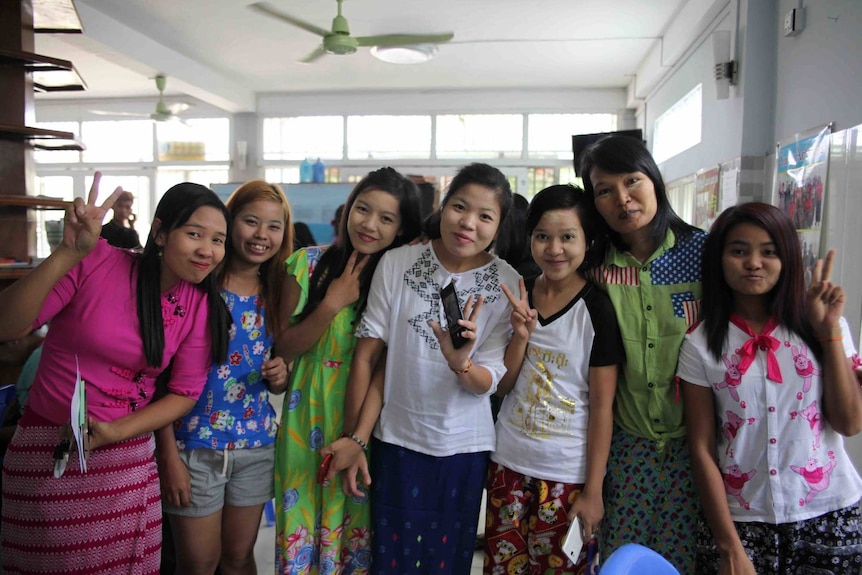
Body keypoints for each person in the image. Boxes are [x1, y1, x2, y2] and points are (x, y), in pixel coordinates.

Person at [0, 173, 231, 574]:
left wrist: (115, 432)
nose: (207, 250)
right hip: (47, 450)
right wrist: (66, 253)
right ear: (160, 232)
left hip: (126, 465)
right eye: (195, 234)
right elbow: (7, 326)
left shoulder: (199, 303)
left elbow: (184, 392)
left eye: (217, 240)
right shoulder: (95, 262)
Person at [322, 162, 521, 575]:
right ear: (443, 206)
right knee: (391, 560)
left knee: (446, 562)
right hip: (396, 441)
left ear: (499, 225)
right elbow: (370, 358)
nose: (468, 223)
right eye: (460, 207)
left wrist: (461, 363)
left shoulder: (507, 284)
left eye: (485, 216)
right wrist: (356, 438)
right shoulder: (397, 263)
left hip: (463, 449)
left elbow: (489, 383)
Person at [679, 203, 862, 574]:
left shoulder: (826, 326)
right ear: (719, 259)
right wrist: (729, 548)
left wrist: (828, 333)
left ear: (788, 259)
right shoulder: (699, 344)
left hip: (829, 512)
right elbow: (700, 447)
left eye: (769, 251)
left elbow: (849, 423)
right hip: (742, 523)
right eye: (739, 250)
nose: (754, 263)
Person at [274, 167, 423, 574]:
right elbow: (284, 346)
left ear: (401, 229)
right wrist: (330, 303)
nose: (369, 224)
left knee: (355, 538)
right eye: (363, 209)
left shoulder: (401, 282)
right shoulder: (306, 264)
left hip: (368, 425)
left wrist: (357, 435)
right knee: (300, 534)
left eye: (386, 218)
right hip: (304, 422)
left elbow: (385, 365)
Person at [579, 135, 706, 573]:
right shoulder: (595, 267)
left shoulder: (703, 255)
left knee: (685, 562)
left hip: (699, 448)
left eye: (632, 180)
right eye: (604, 190)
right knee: (623, 561)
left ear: (654, 179)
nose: (622, 198)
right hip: (626, 448)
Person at [483, 184, 624, 574]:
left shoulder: (597, 308)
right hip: (508, 464)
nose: (554, 248)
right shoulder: (520, 292)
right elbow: (504, 385)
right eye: (542, 236)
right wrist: (522, 338)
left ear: (587, 240)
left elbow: (602, 408)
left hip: (566, 476)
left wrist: (593, 490)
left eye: (567, 237)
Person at [157, 180, 293, 575]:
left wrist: (279, 376)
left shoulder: (278, 288)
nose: (261, 235)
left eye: (274, 226)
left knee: (237, 559)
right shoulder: (198, 283)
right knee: (199, 564)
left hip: (256, 444)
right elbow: (158, 378)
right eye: (251, 221)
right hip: (193, 445)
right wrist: (168, 454)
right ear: (230, 223)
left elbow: (277, 373)